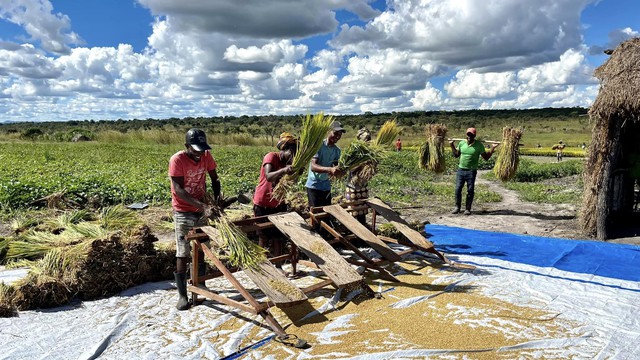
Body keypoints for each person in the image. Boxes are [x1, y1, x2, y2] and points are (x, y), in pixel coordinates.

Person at [169, 128, 222, 310]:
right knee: (183, 252)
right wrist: (203, 207)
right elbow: (178, 190)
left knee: (201, 248)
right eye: (195, 150)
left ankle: (200, 284)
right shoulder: (177, 160)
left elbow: (215, 179)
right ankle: (182, 295)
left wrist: (216, 201)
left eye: (202, 149)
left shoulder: (206, 156)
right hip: (184, 210)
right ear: (186, 146)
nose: (199, 153)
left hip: (202, 208)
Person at [253, 132, 298, 260]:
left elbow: (291, 181)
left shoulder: (289, 163)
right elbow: (269, 176)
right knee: (263, 236)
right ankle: (263, 266)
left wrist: (296, 172)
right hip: (263, 203)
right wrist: (284, 170)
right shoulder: (271, 156)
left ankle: (278, 265)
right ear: (285, 149)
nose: (293, 158)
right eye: (292, 154)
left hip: (279, 203)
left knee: (278, 236)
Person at [449, 127, 498, 215]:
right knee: (457, 189)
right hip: (460, 170)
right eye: (468, 134)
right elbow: (456, 155)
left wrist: (493, 148)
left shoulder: (479, 145)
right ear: (466, 135)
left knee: (470, 190)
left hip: (471, 171)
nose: (469, 136)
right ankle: (457, 207)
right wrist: (451, 145)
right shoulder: (461, 143)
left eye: (471, 135)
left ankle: (468, 209)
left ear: (474, 136)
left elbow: (486, 158)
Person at [306, 121, 346, 208]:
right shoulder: (318, 146)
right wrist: (330, 170)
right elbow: (313, 166)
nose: (337, 137)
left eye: (339, 135)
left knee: (327, 212)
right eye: (335, 133)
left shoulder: (337, 150)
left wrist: (341, 172)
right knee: (316, 214)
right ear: (329, 131)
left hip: (326, 186)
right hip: (314, 185)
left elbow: (336, 167)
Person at [345, 128, 373, 225]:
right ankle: (353, 233)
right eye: (366, 139)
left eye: (368, 139)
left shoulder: (370, 152)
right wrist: (363, 163)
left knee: (362, 213)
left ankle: (363, 234)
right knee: (353, 213)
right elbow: (351, 169)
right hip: (353, 187)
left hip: (363, 186)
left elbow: (370, 171)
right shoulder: (354, 152)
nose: (367, 142)